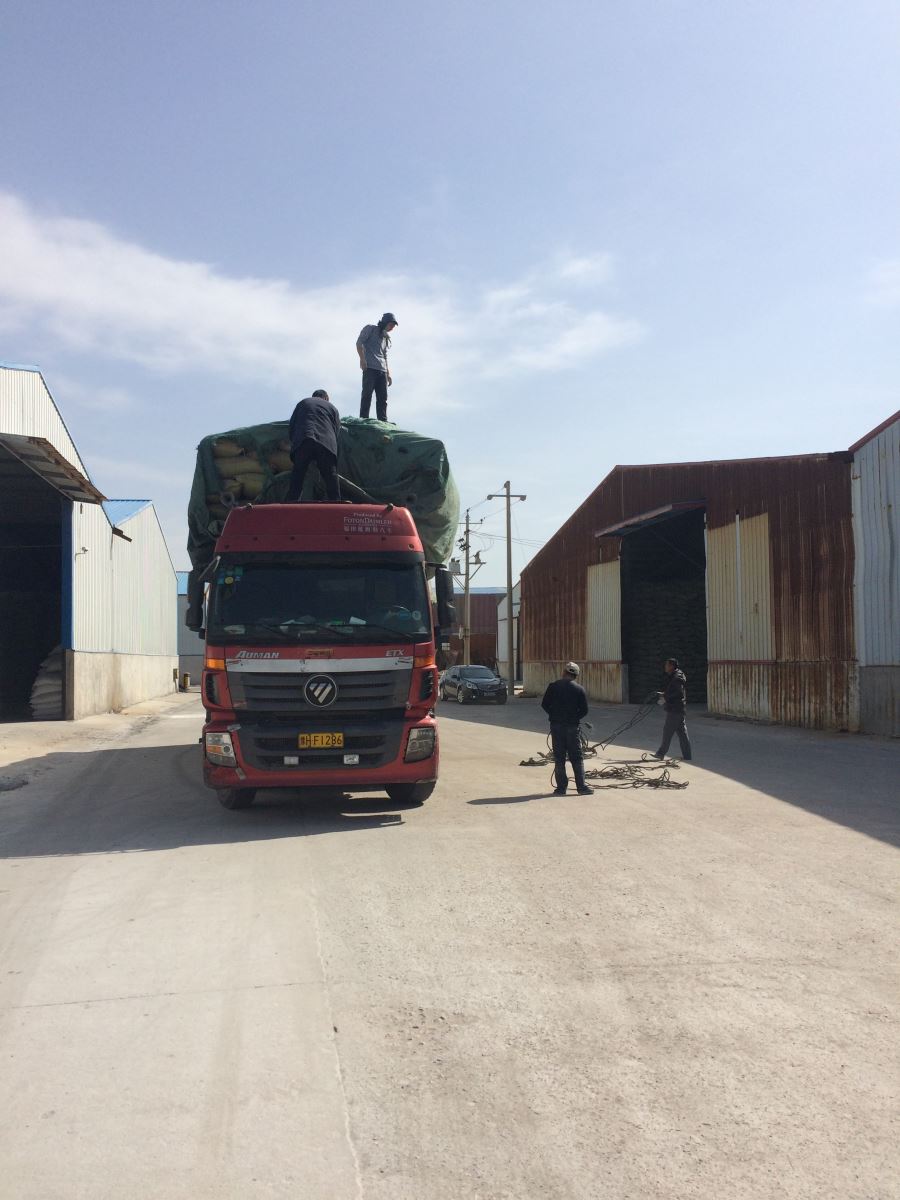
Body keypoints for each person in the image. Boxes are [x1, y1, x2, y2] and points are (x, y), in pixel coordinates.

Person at [541, 662, 593, 795]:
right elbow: (584, 710)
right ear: (576, 675)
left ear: (564, 672)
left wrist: (553, 715)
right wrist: (574, 718)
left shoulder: (553, 686)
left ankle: (561, 788)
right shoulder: (579, 689)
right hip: (572, 727)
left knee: (559, 758)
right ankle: (581, 788)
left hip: (556, 726)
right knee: (577, 758)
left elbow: (544, 704)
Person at [285, 389, 341, 502]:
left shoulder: (303, 403)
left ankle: (291, 502)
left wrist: (295, 443)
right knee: (330, 475)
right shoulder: (332, 407)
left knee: (298, 474)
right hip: (326, 442)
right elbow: (336, 430)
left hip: (303, 439)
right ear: (326, 398)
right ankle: (336, 502)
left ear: (313, 396)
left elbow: (292, 426)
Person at [356, 312, 398, 421]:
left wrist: (388, 374)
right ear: (385, 322)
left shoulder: (385, 337)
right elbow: (359, 342)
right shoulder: (370, 328)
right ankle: (364, 419)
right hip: (370, 367)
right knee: (367, 395)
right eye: (391, 325)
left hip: (382, 370)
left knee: (383, 398)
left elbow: (384, 356)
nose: (392, 328)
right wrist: (362, 359)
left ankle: (383, 420)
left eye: (393, 326)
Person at [653, 657, 693, 761]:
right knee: (682, 734)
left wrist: (665, 697)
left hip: (675, 709)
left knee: (667, 731)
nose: (665, 667)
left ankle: (660, 753)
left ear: (671, 666)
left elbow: (678, 693)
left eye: (667, 665)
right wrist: (664, 694)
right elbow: (674, 691)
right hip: (679, 709)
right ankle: (687, 756)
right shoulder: (676, 676)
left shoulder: (676, 678)